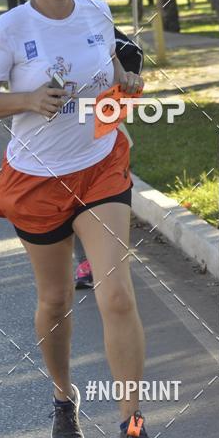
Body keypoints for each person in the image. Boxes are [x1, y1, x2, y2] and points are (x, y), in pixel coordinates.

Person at [0, 0, 161, 438]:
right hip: (36, 180)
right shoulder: (9, 28)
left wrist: (130, 83)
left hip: (100, 167)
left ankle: (132, 424)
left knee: (116, 294)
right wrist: (26, 101)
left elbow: (124, 77)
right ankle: (62, 397)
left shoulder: (98, 14)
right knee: (55, 301)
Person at [74, 27, 144, 290]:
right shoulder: (31, 25)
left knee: (107, 191)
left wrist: (124, 84)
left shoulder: (92, 20)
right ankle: (85, 260)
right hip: (61, 137)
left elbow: (132, 52)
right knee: (73, 200)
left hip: (103, 126)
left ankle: (106, 252)